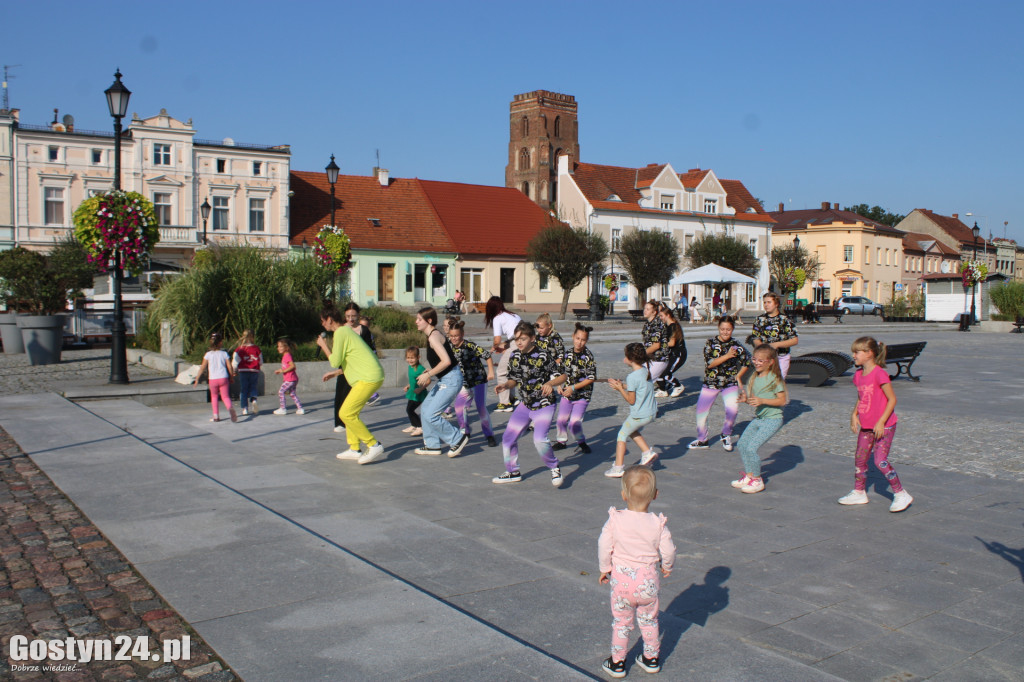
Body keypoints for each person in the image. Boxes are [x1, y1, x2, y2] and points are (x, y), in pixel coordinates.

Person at [598, 465, 675, 678]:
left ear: (623, 495)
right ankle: (651, 659)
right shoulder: (657, 523)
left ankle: (617, 663)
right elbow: (668, 549)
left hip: (622, 583)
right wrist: (666, 566)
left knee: (621, 623)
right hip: (648, 582)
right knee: (649, 620)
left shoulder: (616, 520)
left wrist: (605, 568)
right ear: (655, 495)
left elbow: (604, 544)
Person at [839, 337, 913, 512]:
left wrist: (881, 422)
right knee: (860, 459)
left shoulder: (879, 373)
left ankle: (901, 493)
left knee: (880, 461)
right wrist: (854, 414)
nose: (854, 355)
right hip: (866, 425)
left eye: (857, 352)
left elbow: (892, 399)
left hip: (884, 426)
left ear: (869, 354)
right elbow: (861, 397)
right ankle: (859, 492)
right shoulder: (858, 376)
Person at [491, 321, 567, 486]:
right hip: (525, 404)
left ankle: (554, 467)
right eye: (517, 338)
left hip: (544, 404)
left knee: (539, 439)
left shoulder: (543, 355)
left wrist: (551, 384)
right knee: (508, 438)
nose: (519, 342)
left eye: (523, 339)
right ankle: (513, 471)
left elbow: (562, 376)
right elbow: (514, 380)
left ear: (532, 338)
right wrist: (505, 385)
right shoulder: (515, 356)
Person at [317, 303, 386, 465]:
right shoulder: (345, 331)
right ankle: (354, 448)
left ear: (329, 319)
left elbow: (335, 360)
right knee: (351, 412)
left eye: (322, 321)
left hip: (368, 378)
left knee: (345, 413)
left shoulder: (340, 333)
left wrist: (323, 345)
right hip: (368, 376)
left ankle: (373, 444)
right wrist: (335, 374)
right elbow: (349, 359)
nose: (322, 324)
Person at [413, 306, 470, 458]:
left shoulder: (433, 336)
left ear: (429, 320)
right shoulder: (432, 335)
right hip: (447, 378)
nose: (416, 322)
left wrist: (429, 374)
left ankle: (458, 438)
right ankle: (432, 446)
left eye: (419, 319)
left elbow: (446, 361)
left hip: (451, 379)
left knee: (432, 414)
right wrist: (427, 372)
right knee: (425, 408)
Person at [731, 346, 788, 494]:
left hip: (773, 419)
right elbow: (754, 399)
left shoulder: (775, 379)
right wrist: (745, 399)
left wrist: (762, 401)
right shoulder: (754, 377)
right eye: (755, 359)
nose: (757, 363)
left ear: (770, 362)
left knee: (751, 448)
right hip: (759, 418)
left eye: (761, 360)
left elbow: (782, 401)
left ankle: (757, 480)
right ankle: (749, 476)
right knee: (743, 444)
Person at [689, 317, 750, 450]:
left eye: (728, 329)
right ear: (718, 328)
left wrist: (739, 376)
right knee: (701, 412)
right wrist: (727, 356)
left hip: (729, 383)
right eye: (722, 329)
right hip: (711, 383)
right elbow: (710, 364)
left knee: (732, 410)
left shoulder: (736, 345)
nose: (725, 332)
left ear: (732, 329)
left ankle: (726, 434)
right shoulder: (710, 343)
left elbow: (747, 361)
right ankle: (702, 439)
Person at [605, 343, 658, 477]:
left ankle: (618, 467)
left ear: (631, 359)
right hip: (651, 412)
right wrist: (621, 384)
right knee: (632, 431)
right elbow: (637, 387)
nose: (624, 359)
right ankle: (647, 453)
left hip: (639, 415)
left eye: (625, 356)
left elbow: (631, 400)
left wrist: (620, 389)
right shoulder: (645, 371)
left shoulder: (632, 376)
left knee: (622, 434)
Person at [325, 302, 376, 434]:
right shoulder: (342, 329)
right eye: (348, 316)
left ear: (358, 315)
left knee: (353, 399)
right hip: (344, 368)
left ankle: (352, 423)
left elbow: (370, 350)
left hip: (358, 370)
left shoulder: (364, 330)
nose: (351, 319)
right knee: (340, 395)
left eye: (353, 316)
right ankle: (339, 423)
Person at [448, 319, 497, 448]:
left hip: (479, 381)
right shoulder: (449, 347)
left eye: (456, 336)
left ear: (462, 335)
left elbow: (487, 355)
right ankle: (465, 432)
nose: (454, 338)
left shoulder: (470, 346)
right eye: (451, 336)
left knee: (481, 408)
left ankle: (489, 435)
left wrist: (491, 372)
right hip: (464, 384)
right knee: (459, 408)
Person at [552, 323, 596, 454]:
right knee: (560, 420)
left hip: (583, 395)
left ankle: (581, 442)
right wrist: (559, 385)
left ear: (586, 341)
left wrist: (573, 387)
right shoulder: (567, 354)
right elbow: (559, 371)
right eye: (578, 338)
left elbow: (591, 377)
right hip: (567, 394)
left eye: (583, 340)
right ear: (573, 337)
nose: (579, 342)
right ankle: (561, 441)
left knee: (574, 423)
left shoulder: (588, 356)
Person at [484, 296, 522, 412]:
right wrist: (502, 346)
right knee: (510, 370)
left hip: (517, 343)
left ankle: (505, 403)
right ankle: (512, 397)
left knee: (501, 372)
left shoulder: (498, 318)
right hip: (523, 342)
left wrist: (494, 347)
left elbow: (497, 340)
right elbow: (513, 337)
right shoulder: (514, 315)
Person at [751, 292, 799, 378]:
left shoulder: (785, 319)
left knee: (777, 382)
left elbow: (794, 340)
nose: (766, 305)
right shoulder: (759, 319)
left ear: (776, 304)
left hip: (781, 357)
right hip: (765, 358)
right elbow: (755, 338)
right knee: (764, 382)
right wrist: (763, 348)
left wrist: (776, 345)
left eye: (769, 302)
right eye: (764, 302)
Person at [193, 332, 237, 423]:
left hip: (213, 379)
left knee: (214, 397)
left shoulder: (208, 355)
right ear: (221, 343)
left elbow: (202, 367)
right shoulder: (224, 354)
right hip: (223, 377)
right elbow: (229, 366)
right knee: (225, 396)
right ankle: (230, 408)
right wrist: (231, 376)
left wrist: (197, 378)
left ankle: (216, 416)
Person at [656, 304, 686, 398]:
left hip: (678, 354)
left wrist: (659, 345)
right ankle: (663, 389)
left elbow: (672, 343)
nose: (660, 318)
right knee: (660, 371)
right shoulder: (668, 326)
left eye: (661, 316)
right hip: (672, 354)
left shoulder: (673, 326)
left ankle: (678, 386)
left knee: (666, 373)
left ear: (668, 315)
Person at [640, 301, 669, 397]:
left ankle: (650, 408)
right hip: (650, 358)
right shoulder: (648, 324)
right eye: (645, 308)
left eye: (648, 309)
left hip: (659, 358)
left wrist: (640, 355)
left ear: (654, 312)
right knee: (642, 380)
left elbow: (656, 345)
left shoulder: (657, 324)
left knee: (646, 382)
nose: (645, 311)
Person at [232, 329, 263, 416]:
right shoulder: (256, 348)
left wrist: (234, 370)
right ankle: (253, 399)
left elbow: (235, 361)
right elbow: (261, 361)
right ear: (253, 337)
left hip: (243, 371)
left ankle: (245, 408)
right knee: (253, 387)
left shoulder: (240, 349)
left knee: (243, 389)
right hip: (254, 371)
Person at [272, 338, 305, 416]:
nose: (278, 348)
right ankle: (300, 409)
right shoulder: (285, 356)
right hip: (293, 379)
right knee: (292, 393)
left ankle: (283, 409)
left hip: (290, 379)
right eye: (278, 346)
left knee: (281, 391)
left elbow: (292, 366)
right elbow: (286, 367)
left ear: (286, 348)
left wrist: (283, 371)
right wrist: (281, 370)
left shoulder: (287, 356)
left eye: (280, 346)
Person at [402, 346, 427, 437]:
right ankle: (414, 425)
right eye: (408, 358)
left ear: (418, 357)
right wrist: (408, 386)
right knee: (409, 410)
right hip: (412, 393)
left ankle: (420, 427)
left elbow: (428, 381)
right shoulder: (410, 367)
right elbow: (413, 380)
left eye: (412, 358)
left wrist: (420, 389)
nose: (410, 360)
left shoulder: (420, 369)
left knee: (410, 410)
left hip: (419, 394)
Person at [359, 314, 381, 406]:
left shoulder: (367, 335)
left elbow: (372, 349)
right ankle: (368, 396)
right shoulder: (361, 334)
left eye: (365, 326)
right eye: (362, 326)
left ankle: (372, 395)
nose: (364, 328)